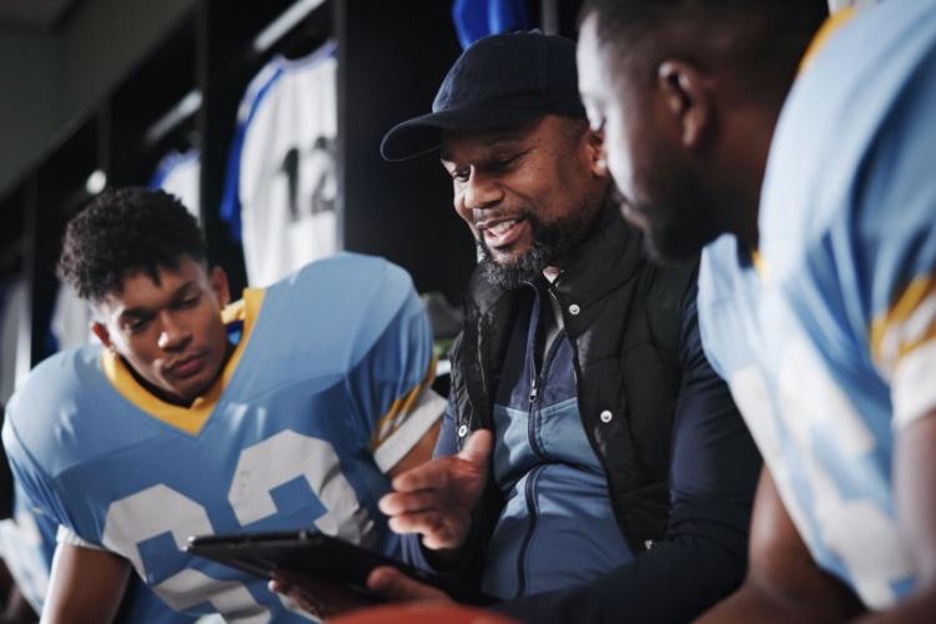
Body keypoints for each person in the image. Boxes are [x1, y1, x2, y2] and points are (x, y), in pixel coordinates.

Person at [277, 30, 761, 623]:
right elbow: (440, 562)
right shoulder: (493, 298)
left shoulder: (692, 281)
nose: (474, 196)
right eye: (458, 174)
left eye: (503, 161)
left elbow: (715, 552)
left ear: (598, 145)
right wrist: (447, 538)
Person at [576, 0, 936, 621]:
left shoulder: (878, 126)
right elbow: (788, 593)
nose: (601, 160)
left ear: (682, 99)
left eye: (602, 120)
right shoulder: (727, 272)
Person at [1, 187, 445, 622]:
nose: (171, 335)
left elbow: (451, 527)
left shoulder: (332, 332)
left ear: (218, 287)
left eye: (186, 301)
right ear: (105, 338)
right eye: (138, 322)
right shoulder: (74, 427)